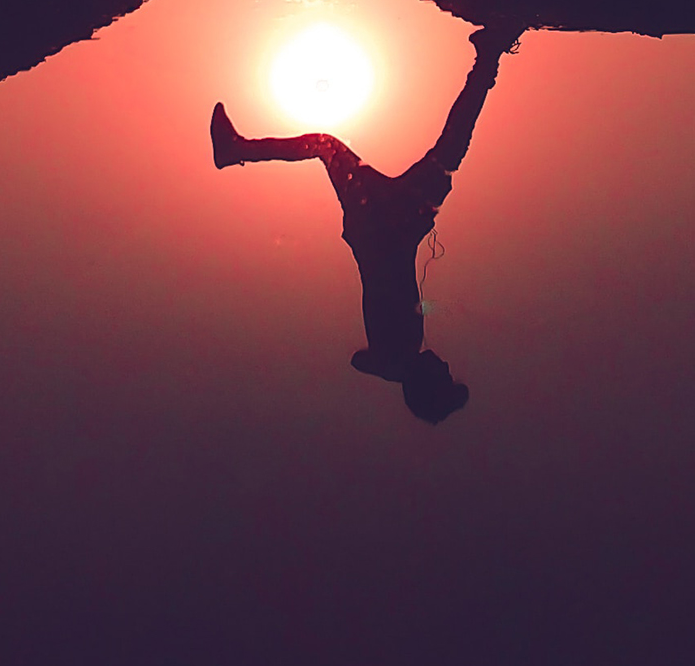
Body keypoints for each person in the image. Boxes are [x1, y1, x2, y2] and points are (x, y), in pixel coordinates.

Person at [209, 24, 518, 422]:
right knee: (345, 146)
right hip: (385, 227)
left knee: (443, 149)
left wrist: (390, 365)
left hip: (387, 226)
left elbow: (373, 333)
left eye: (444, 376)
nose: (445, 365)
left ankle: (488, 57)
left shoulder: (399, 352)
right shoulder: (396, 356)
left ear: (427, 384)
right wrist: (387, 366)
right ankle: (487, 58)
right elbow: (361, 359)